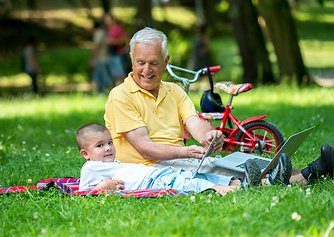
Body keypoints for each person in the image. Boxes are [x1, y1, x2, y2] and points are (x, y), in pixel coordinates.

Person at [104, 27, 334, 186]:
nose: (146, 70)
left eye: (154, 63)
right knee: (224, 170)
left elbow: (194, 121)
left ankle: (310, 172)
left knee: (243, 162)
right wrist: (185, 151)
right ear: (131, 59)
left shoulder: (174, 91)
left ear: (166, 61)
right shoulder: (120, 96)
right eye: (140, 62)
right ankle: (309, 174)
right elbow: (145, 148)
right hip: (149, 169)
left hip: (180, 160)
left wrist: (210, 135)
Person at [76, 123, 265, 195]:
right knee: (190, 184)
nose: (108, 147)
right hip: (153, 180)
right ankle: (226, 190)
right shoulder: (91, 168)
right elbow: (83, 194)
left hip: (159, 173)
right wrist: (102, 187)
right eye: (100, 146)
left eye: (109, 142)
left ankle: (240, 182)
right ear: (85, 154)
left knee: (199, 177)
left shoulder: (112, 164)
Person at [87, 21, 113, 94]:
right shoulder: (104, 33)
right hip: (105, 58)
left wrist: (92, 59)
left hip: (100, 59)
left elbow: (96, 47)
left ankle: (104, 93)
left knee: (101, 78)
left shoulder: (98, 34)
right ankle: (101, 93)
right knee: (102, 77)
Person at [103, 12, 128, 84]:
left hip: (118, 54)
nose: (106, 22)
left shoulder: (118, 28)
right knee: (115, 75)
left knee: (121, 74)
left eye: (107, 20)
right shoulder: (109, 29)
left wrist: (112, 41)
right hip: (111, 54)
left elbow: (124, 39)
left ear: (112, 19)